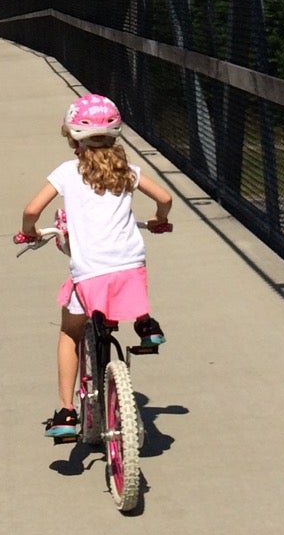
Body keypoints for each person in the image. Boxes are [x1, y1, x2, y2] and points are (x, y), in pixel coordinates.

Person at [17, 93, 173, 441]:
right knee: (127, 282)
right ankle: (146, 326)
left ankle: (66, 411)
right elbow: (164, 198)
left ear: (73, 138)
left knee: (70, 331)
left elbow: (31, 211)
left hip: (90, 273)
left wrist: (29, 232)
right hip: (130, 267)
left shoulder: (66, 173)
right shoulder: (128, 172)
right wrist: (160, 220)